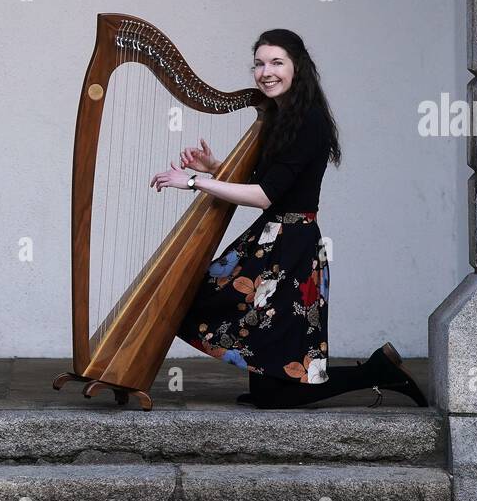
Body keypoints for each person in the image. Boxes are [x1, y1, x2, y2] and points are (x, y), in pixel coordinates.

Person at [150, 28, 426, 410]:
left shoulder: (309, 122)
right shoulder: (283, 117)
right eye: (259, 64)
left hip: (292, 248)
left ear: (298, 68)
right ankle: (369, 370)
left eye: (277, 62)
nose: (266, 72)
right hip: (270, 240)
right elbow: (273, 182)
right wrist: (215, 167)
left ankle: (377, 372)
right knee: (212, 310)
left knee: (276, 388)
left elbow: (264, 196)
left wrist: (197, 181)